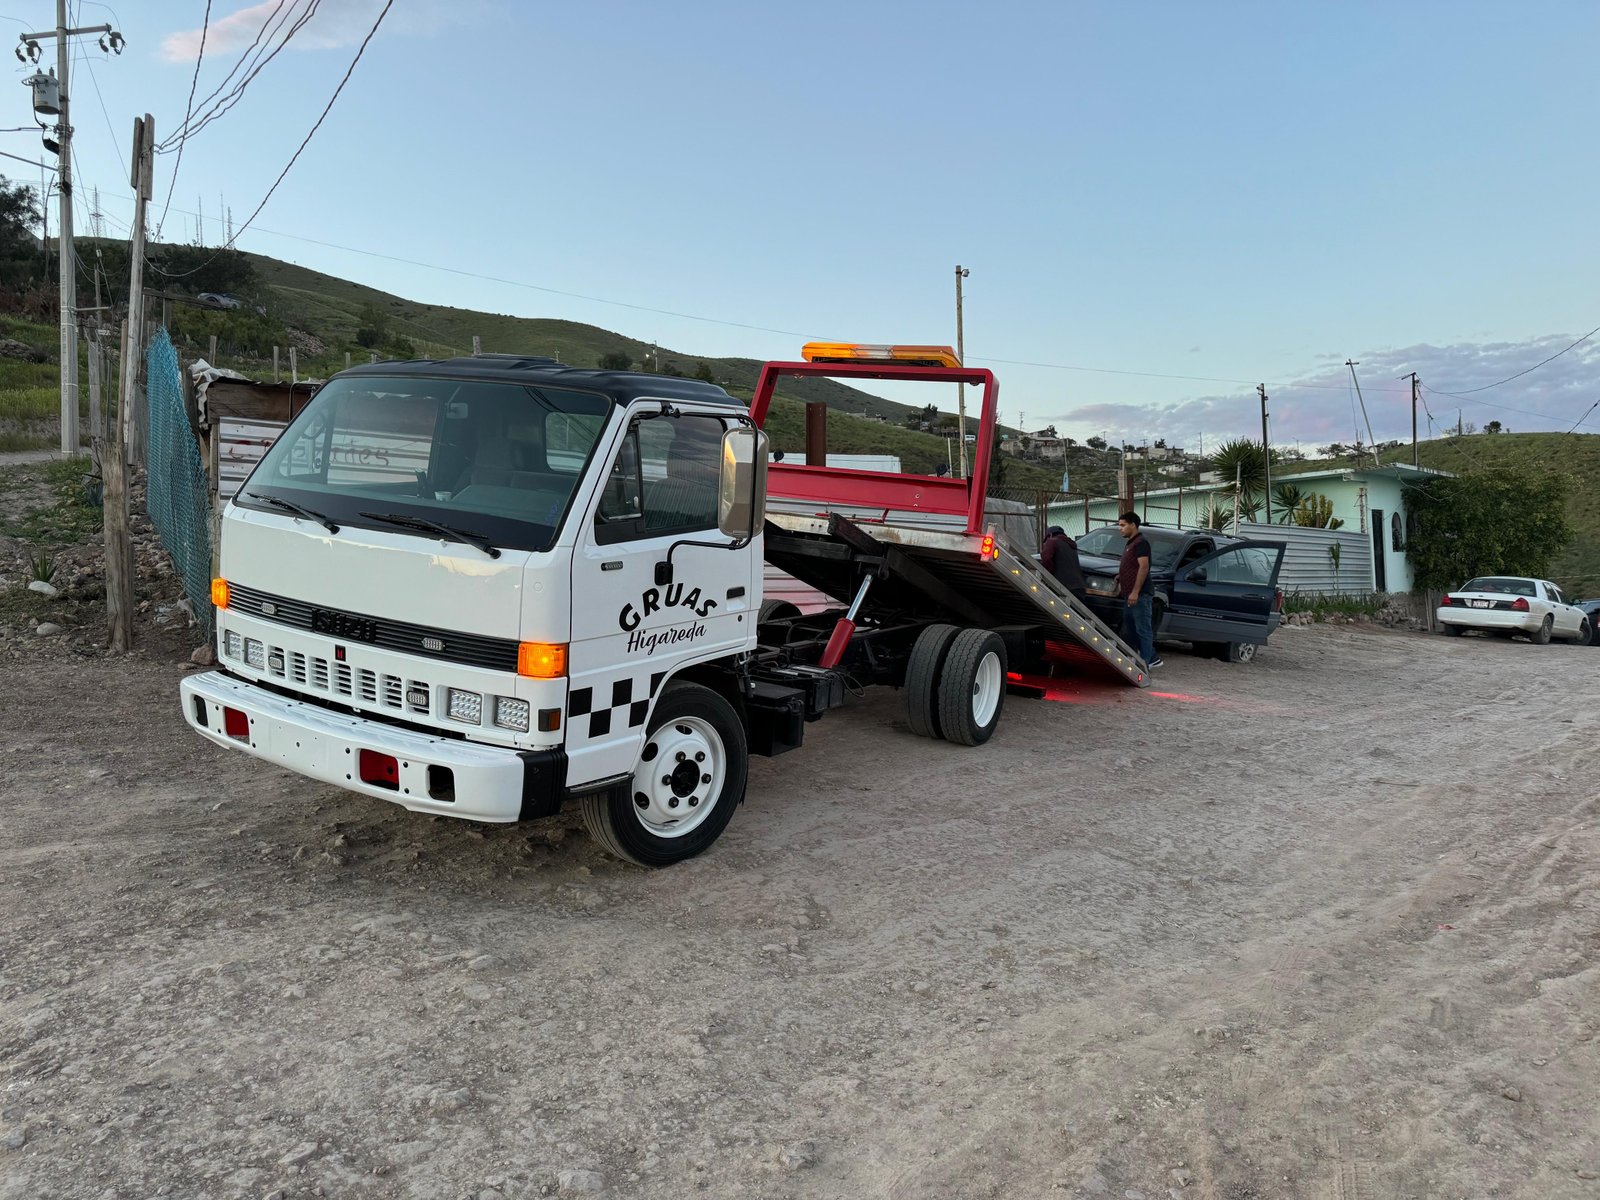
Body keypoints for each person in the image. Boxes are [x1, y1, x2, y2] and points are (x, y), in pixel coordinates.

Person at [1116, 511, 1163, 668]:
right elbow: (1132, 566)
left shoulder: (1141, 543)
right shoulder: (1130, 543)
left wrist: (1136, 591)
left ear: (1133, 525)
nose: (1120, 528)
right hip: (1129, 595)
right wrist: (1121, 576)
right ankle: (1152, 656)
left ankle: (1145, 662)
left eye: (1123, 525)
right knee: (1131, 628)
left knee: (1143, 628)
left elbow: (1143, 567)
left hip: (1140, 595)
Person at [1040, 525, 1087, 604]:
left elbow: (1046, 559)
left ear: (1050, 535)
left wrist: (1049, 576)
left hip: (1063, 587)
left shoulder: (1052, 541)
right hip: (1079, 587)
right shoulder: (1071, 545)